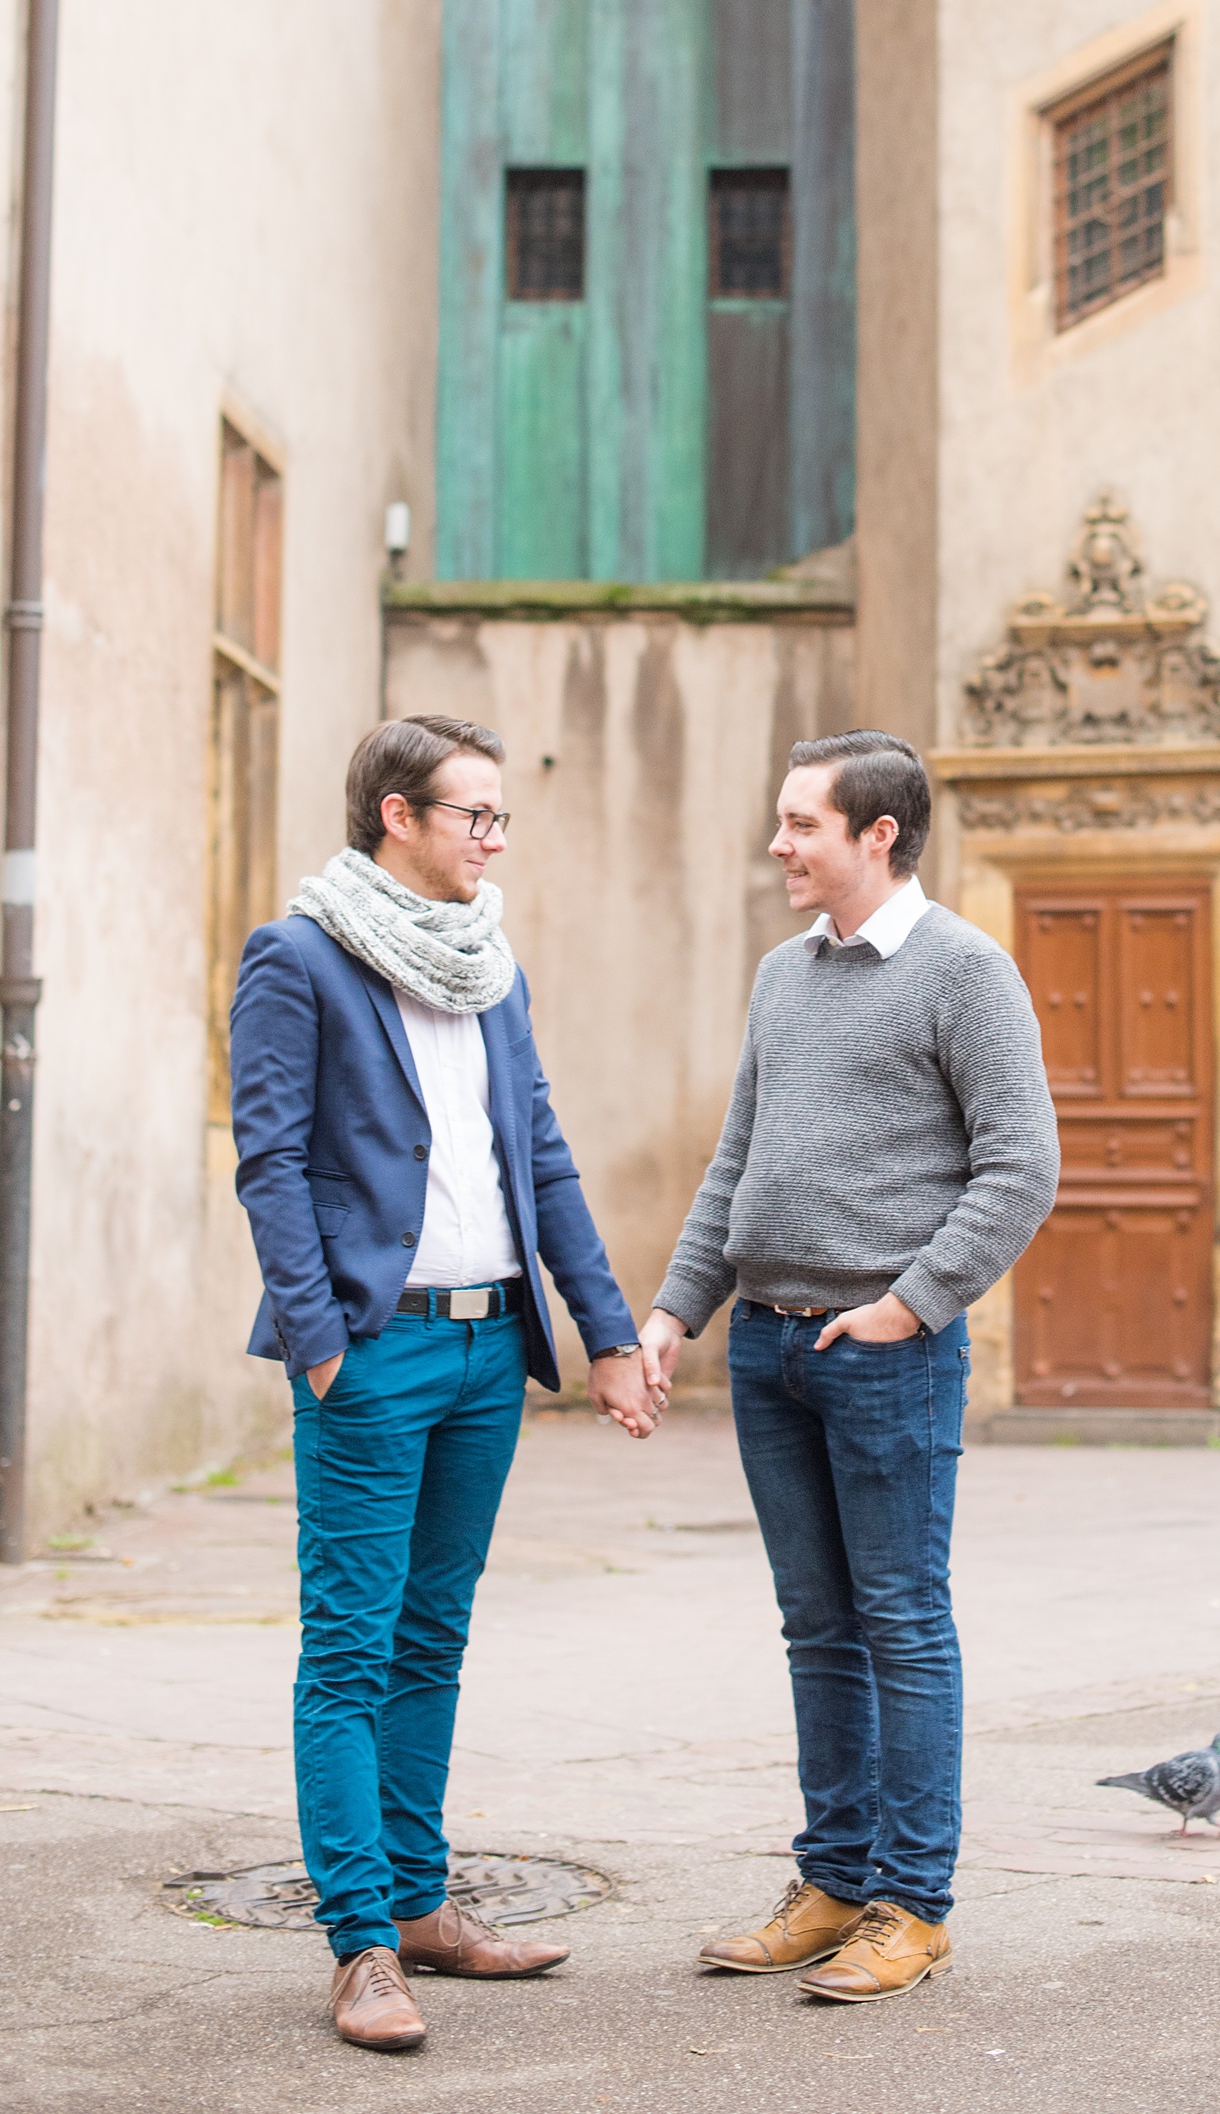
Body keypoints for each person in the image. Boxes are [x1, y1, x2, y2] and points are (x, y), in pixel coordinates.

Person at [231, 714, 656, 2052]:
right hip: (375, 1345)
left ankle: (421, 1903)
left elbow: (542, 1149)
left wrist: (604, 1326)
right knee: (350, 1646)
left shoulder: (492, 967)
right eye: (474, 814)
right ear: (395, 817)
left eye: (500, 816)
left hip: (485, 1349)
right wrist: (318, 1340)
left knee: (434, 1634)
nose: (494, 837)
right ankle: (360, 1939)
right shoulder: (299, 955)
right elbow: (271, 1160)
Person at [638, 730, 1059, 2002]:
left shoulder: (965, 975)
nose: (779, 844)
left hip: (884, 1356)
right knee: (817, 1626)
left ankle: (910, 1907)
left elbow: (1020, 1169)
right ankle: (831, 1881)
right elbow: (736, 1162)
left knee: (899, 1624)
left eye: (800, 824)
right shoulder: (782, 974)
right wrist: (675, 1312)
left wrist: (907, 1306)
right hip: (765, 1345)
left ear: (876, 835)